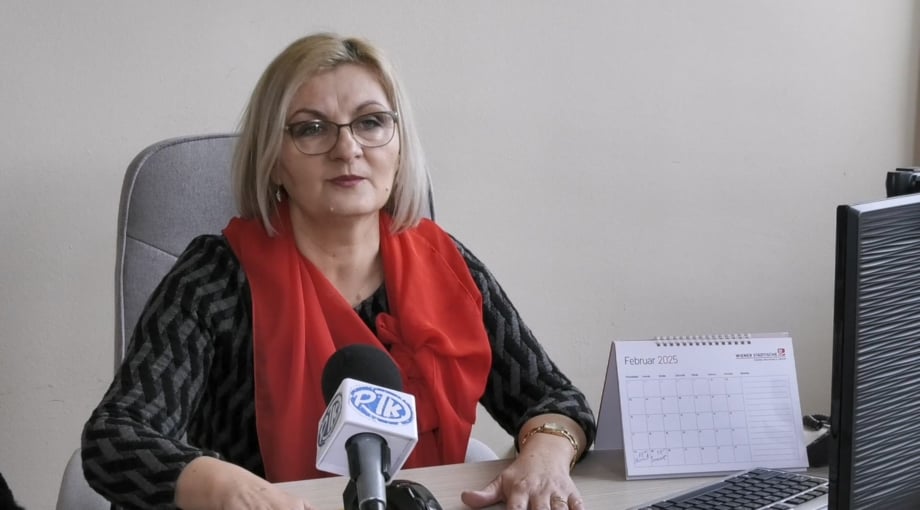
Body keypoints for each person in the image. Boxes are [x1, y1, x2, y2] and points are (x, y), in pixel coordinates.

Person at [82, 33, 596, 510]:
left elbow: (554, 399)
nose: (347, 149)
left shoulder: (447, 265)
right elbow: (117, 437)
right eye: (311, 128)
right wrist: (228, 488)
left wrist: (545, 455)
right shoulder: (216, 278)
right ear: (273, 159)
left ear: (399, 146)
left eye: (370, 123)